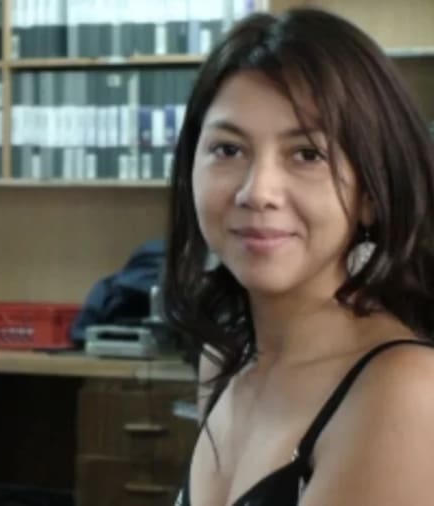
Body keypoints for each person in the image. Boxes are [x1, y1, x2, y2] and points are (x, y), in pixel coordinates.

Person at [164, 8, 434, 506]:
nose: (257, 192)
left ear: (372, 194)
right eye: (228, 149)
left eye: (307, 154)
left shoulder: (404, 390)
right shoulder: (224, 359)